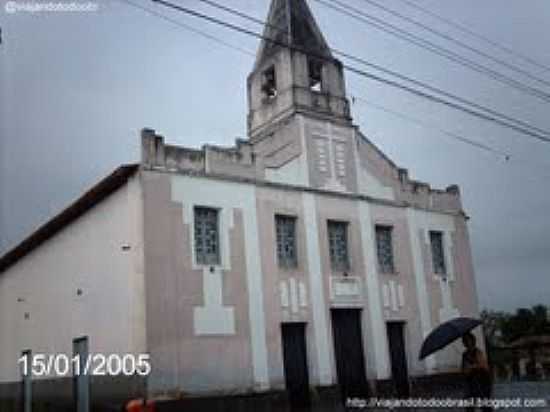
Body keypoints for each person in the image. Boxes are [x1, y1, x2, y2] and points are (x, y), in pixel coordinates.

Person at [462, 332, 493, 412]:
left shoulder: (478, 352)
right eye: (465, 341)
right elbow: (464, 370)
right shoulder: (464, 355)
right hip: (471, 382)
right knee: (469, 405)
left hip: (483, 381)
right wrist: (467, 370)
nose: (466, 342)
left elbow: (484, 366)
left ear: (473, 341)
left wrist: (473, 366)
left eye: (468, 340)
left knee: (485, 404)